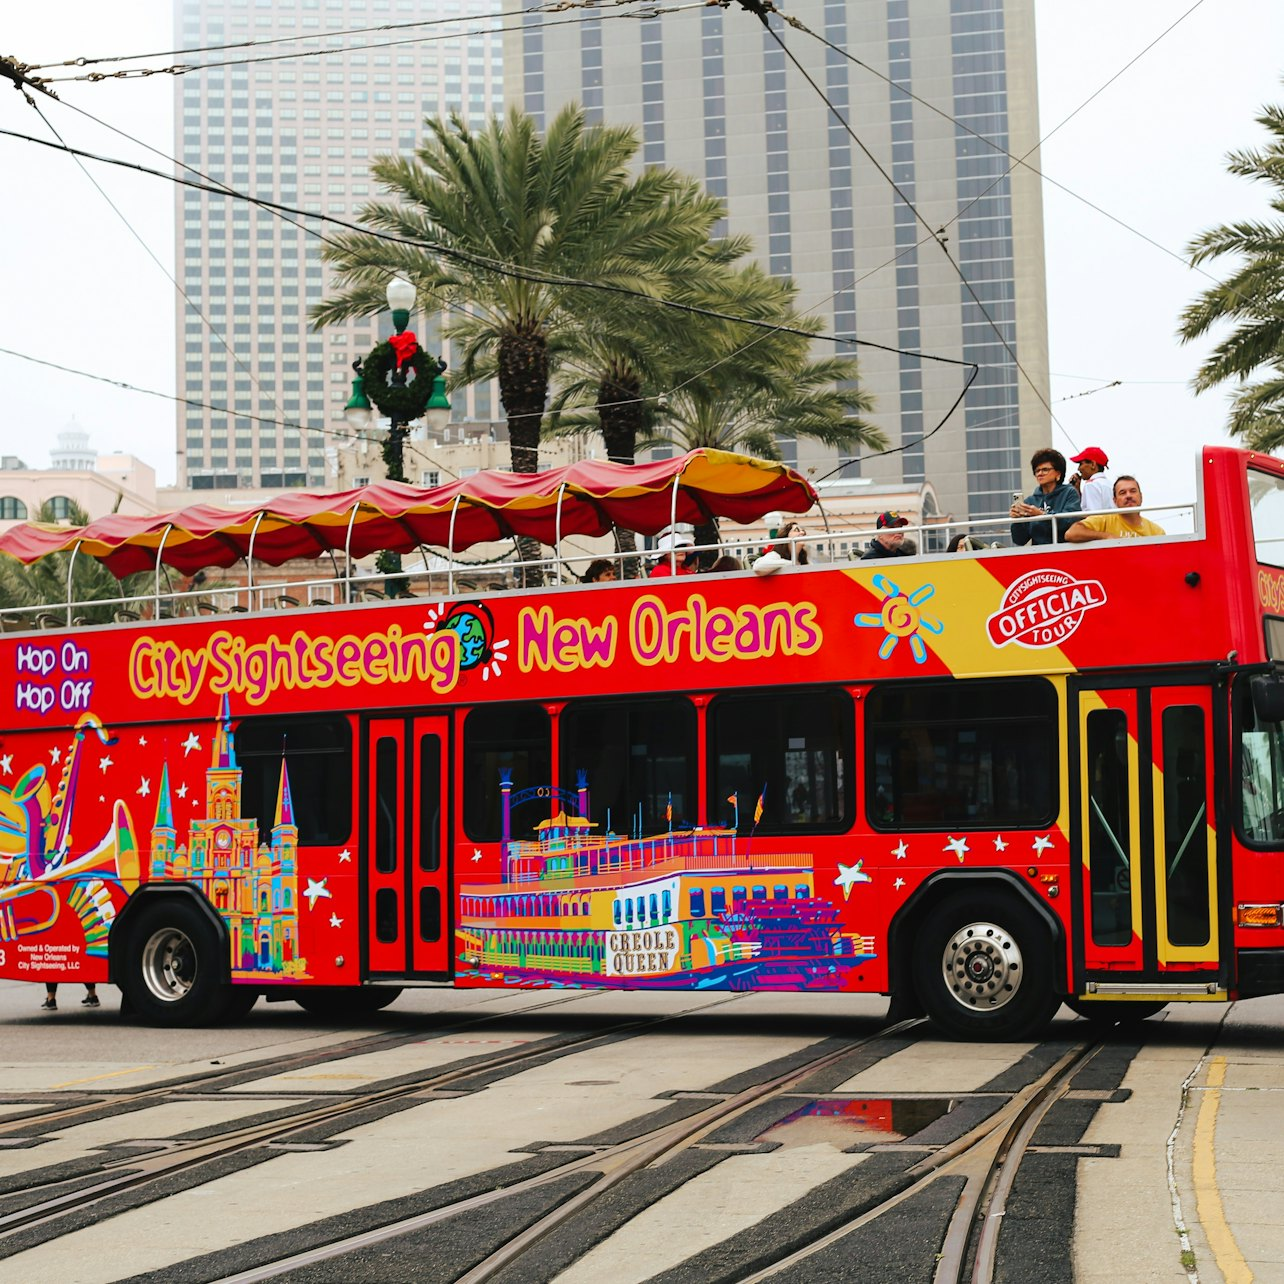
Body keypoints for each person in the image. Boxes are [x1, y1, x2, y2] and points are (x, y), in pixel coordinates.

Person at [1010, 448, 1082, 545]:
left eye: (1045, 470)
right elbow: (1020, 540)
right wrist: (1017, 521)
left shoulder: (1069, 493)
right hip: (1038, 555)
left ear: (1058, 474)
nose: (1040, 473)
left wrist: (1042, 515)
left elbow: (1070, 522)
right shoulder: (1030, 501)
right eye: (1037, 471)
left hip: (1065, 552)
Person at [1065, 475, 1166, 541]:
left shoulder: (1156, 531)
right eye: (1122, 493)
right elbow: (1071, 533)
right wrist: (1106, 536)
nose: (1128, 495)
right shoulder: (1104, 520)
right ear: (1115, 501)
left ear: (1141, 496)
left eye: (1133, 491)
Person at [1069, 446, 1112, 512]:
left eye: (1081, 464)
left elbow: (1093, 516)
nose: (1078, 469)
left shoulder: (1091, 485)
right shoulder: (1109, 484)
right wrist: (1077, 492)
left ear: (1093, 464)